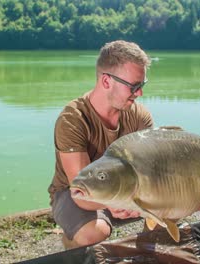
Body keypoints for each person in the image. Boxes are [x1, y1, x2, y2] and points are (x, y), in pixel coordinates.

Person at [47, 40, 153, 249]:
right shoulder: (73, 119)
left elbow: (150, 169)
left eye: (142, 85)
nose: (139, 93)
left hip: (126, 186)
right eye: (134, 86)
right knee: (93, 233)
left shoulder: (139, 116)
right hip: (73, 192)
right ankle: (72, 246)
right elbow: (81, 190)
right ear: (106, 81)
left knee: (175, 207)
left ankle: (148, 250)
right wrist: (117, 204)